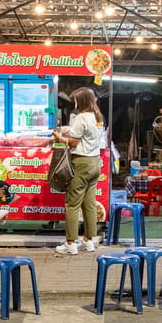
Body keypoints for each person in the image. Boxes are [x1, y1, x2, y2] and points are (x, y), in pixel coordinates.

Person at [53, 87, 103, 255]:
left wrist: (59, 137)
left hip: (81, 162)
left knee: (72, 204)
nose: (73, 102)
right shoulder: (97, 116)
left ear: (80, 101)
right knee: (89, 204)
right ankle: (89, 241)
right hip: (95, 163)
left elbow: (73, 143)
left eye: (75, 100)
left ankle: (70, 243)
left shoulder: (81, 117)